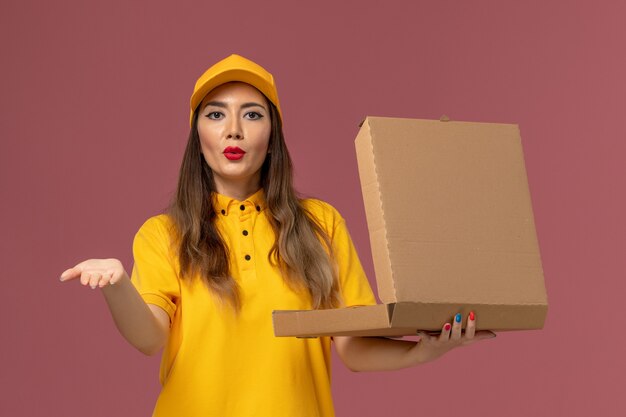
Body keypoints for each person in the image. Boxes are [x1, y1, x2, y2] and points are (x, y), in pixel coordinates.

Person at [59, 54, 496, 417]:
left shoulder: (321, 225)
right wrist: (117, 286)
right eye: (216, 114)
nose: (234, 129)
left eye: (252, 114)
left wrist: (426, 350)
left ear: (272, 136)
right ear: (198, 137)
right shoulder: (164, 234)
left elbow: (353, 348)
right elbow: (150, 337)